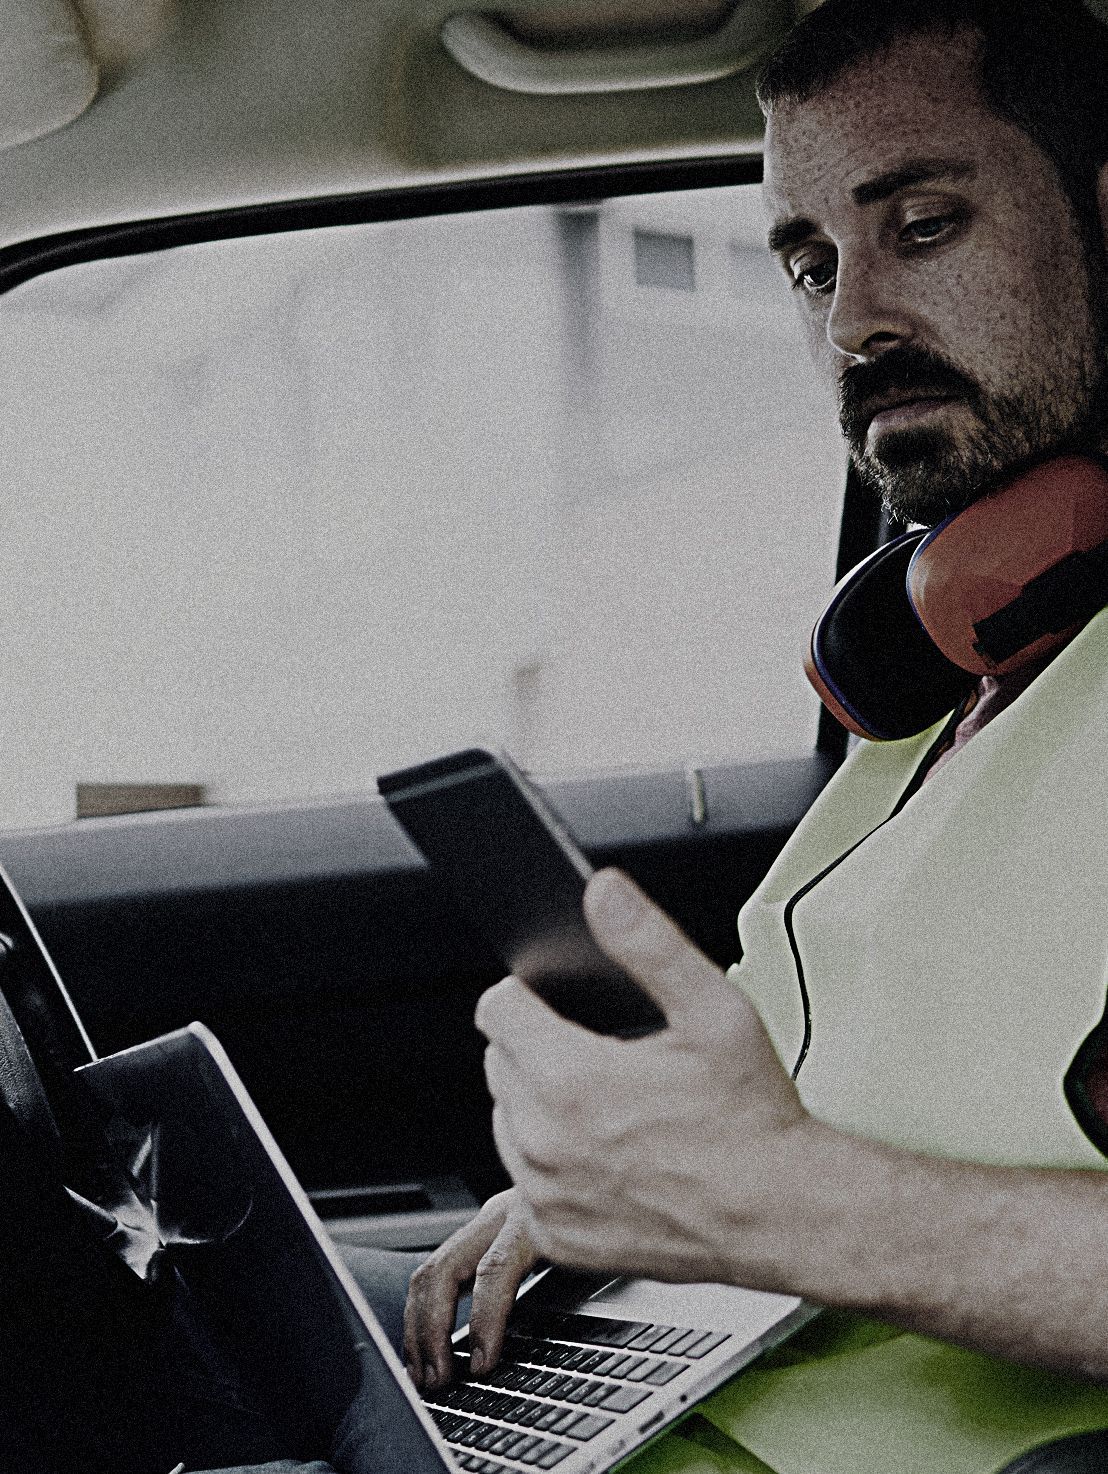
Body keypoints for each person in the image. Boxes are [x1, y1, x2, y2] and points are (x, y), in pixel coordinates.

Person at [401, 2, 1108, 1470]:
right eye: (807, 264)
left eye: (921, 225)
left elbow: (798, 1183)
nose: (851, 320)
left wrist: (768, 1203)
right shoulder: (944, 688)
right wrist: (621, 1199)